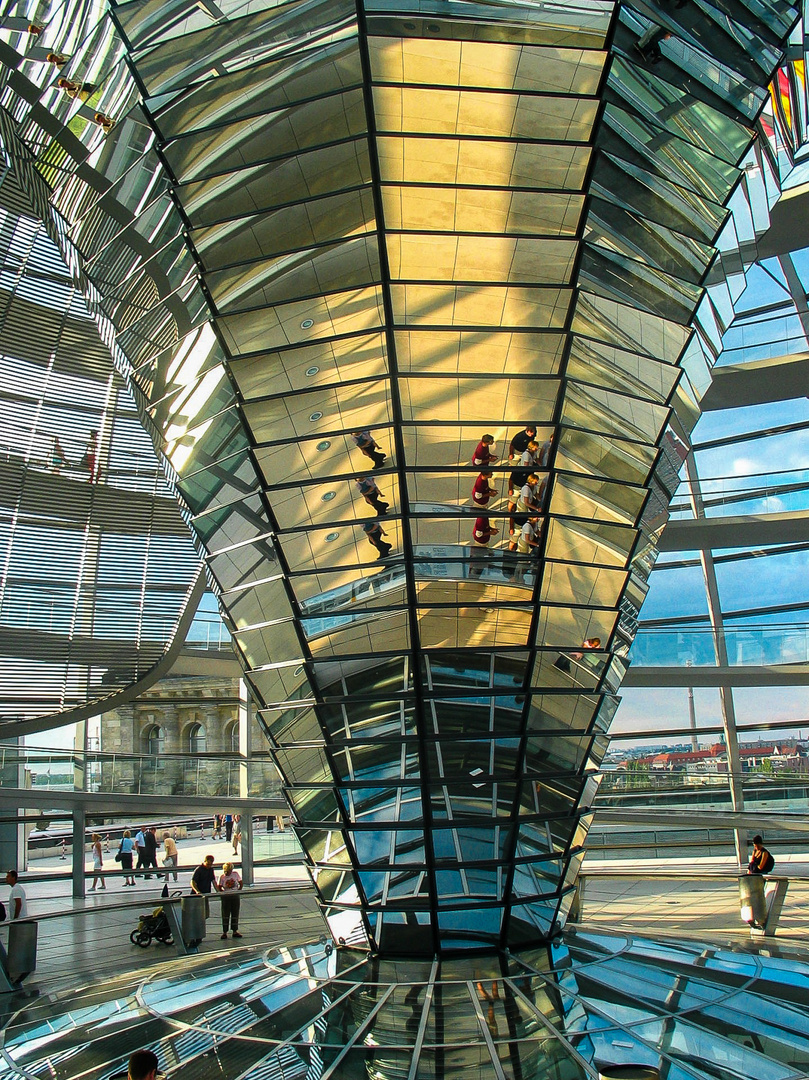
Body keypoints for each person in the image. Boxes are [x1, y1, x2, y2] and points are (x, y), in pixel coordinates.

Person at [190, 854, 220, 941]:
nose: (209, 866)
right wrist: (197, 891)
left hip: (206, 894)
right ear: (205, 861)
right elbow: (193, 882)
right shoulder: (199, 869)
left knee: (204, 914)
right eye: (208, 864)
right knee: (196, 915)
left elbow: (213, 881)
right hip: (197, 896)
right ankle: (195, 934)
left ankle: (199, 933)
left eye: (211, 864)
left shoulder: (210, 870)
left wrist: (218, 891)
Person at [218, 861, 243, 939]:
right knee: (225, 913)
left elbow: (240, 882)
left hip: (235, 895)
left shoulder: (235, 874)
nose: (227, 872)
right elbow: (219, 886)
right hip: (226, 896)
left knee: (235, 912)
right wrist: (223, 893)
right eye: (226, 871)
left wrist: (238, 890)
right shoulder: (222, 877)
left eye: (229, 871)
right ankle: (224, 931)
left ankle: (234, 930)